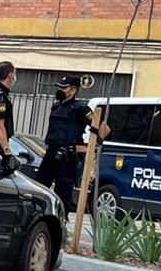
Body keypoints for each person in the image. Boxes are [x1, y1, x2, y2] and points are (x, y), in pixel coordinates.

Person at [39, 75, 111, 213]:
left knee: (63, 196)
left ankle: (61, 224)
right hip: (50, 155)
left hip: (66, 158)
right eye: (59, 87)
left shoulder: (81, 109)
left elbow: (104, 130)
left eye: (63, 88)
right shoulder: (55, 107)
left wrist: (87, 147)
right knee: (40, 190)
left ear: (73, 90)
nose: (60, 90)